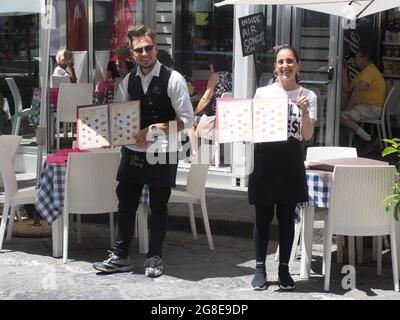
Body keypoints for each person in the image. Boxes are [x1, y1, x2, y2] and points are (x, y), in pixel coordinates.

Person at [93, 25, 193, 277]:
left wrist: (155, 129)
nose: (145, 53)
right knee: (125, 203)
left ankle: (154, 257)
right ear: (132, 53)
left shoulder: (174, 79)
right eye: (139, 50)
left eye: (149, 48)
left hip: (163, 150)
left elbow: (187, 120)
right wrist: (112, 135)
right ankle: (120, 256)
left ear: (156, 48)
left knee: (158, 205)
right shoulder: (127, 81)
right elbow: (121, 116)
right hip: (132, 150)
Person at [248, 45, 317, 291]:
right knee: (262, 217)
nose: (285, 66)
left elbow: (307, 135)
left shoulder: (308, 95)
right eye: (280, 62)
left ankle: (284, 269)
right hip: (265, 158)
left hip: (291, 161)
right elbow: (252, 127)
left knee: (287, 219)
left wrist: (305, 111)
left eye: (289, 61)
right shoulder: (262, 93)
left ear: (298, 64)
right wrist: (244, 132)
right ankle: (259, 268)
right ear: (275, 66)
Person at [341, 48, 385, 153]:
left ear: (365, 58)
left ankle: (368, 139)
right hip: (366, 107)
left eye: (356, 57)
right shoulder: (364, 72)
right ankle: (356, 141)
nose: (354, 60)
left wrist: (348, 107)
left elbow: (358, 90)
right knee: (341, 114)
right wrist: (344, 70)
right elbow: (347, 89)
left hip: (372, 108)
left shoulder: (370, 70)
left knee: (341, 116)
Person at [188, 55, 232, 158]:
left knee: (189, 122)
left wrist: (195, 112)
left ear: (214, 66)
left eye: (210, 68)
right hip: (228, 117)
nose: (210, 70)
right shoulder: (232, 76)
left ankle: (196, 154)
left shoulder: (215, 76)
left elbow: (205, 99)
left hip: (214, 119)